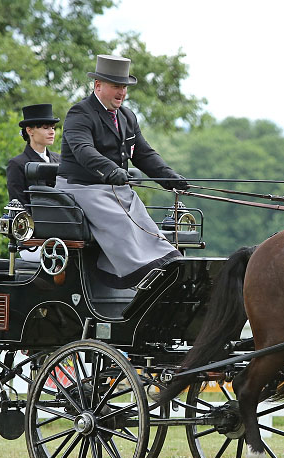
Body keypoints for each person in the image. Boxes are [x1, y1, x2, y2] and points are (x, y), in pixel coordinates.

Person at [57, 54, 190, 288]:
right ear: (98, 86)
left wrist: (168, 177)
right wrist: (110, 170)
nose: (122, 92)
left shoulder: (127, 116)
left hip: (115, 189)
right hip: (81, 188)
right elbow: (83, 150)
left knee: (142, 220)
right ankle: (140, 273)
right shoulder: (80, 113)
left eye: (124, 87)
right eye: (116, 86)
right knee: (121, 221)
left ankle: (167, 263)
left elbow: (144, 153)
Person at [6, 103, 61, 204]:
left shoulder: (59, 159)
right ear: (29, 130)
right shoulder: (17, 164)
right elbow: (18, 204)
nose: (52, 132)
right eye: (45, 128)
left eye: (53, 128)